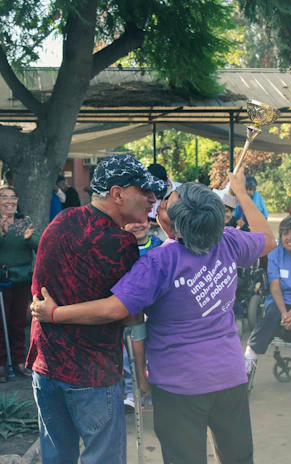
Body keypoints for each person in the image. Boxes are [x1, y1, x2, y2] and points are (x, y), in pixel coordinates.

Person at [31, 168, 276, 464]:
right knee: (238, 458)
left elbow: (113, 309)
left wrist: (55, 313)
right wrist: (242, 194)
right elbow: (267, 239)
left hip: (178, 384)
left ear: (173, 223)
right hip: (229, 376)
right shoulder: (229, 242)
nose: (157, 203)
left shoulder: (159, 262)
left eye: (165, 202)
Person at [26, 154, 167, 464]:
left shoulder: (63, 219)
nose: (152, 199)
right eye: (144, 191)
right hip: (90, 373)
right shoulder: (120, 243)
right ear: (117, 194)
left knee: (57, 456)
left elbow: (41, 288)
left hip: (45, 365)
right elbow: (125, 311)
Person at [245, 215, 291, 374]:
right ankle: (250, 355)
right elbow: (275, 287)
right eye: (285, 233)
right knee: (271, 315)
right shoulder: (276, 254)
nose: (289, 237)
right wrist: (284, 314)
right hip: (280, 301)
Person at [0, 186, 40, 383]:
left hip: (23, 278)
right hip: (2, 280)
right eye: (4, 197)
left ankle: (18, 360)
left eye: (13, 197)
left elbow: (40, 245)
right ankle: (1, 364)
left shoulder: (26, 222)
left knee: (18, 323)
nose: (9, 201)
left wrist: (29, 237)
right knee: (1, 322)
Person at [122, 219, 162, 412]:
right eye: (131, 223)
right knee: (128, 352)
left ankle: (155, 392)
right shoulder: (119, 249)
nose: (137, 225)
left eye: (142, 221)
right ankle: (132, 392)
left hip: (154, 308)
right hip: (131, 309)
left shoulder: (159, 247)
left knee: (152, 351)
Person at [147, 163, 181, 241]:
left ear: (167, 180)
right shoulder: (141, 193)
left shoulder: (182, 192)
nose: (155, 195)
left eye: (159, 190)